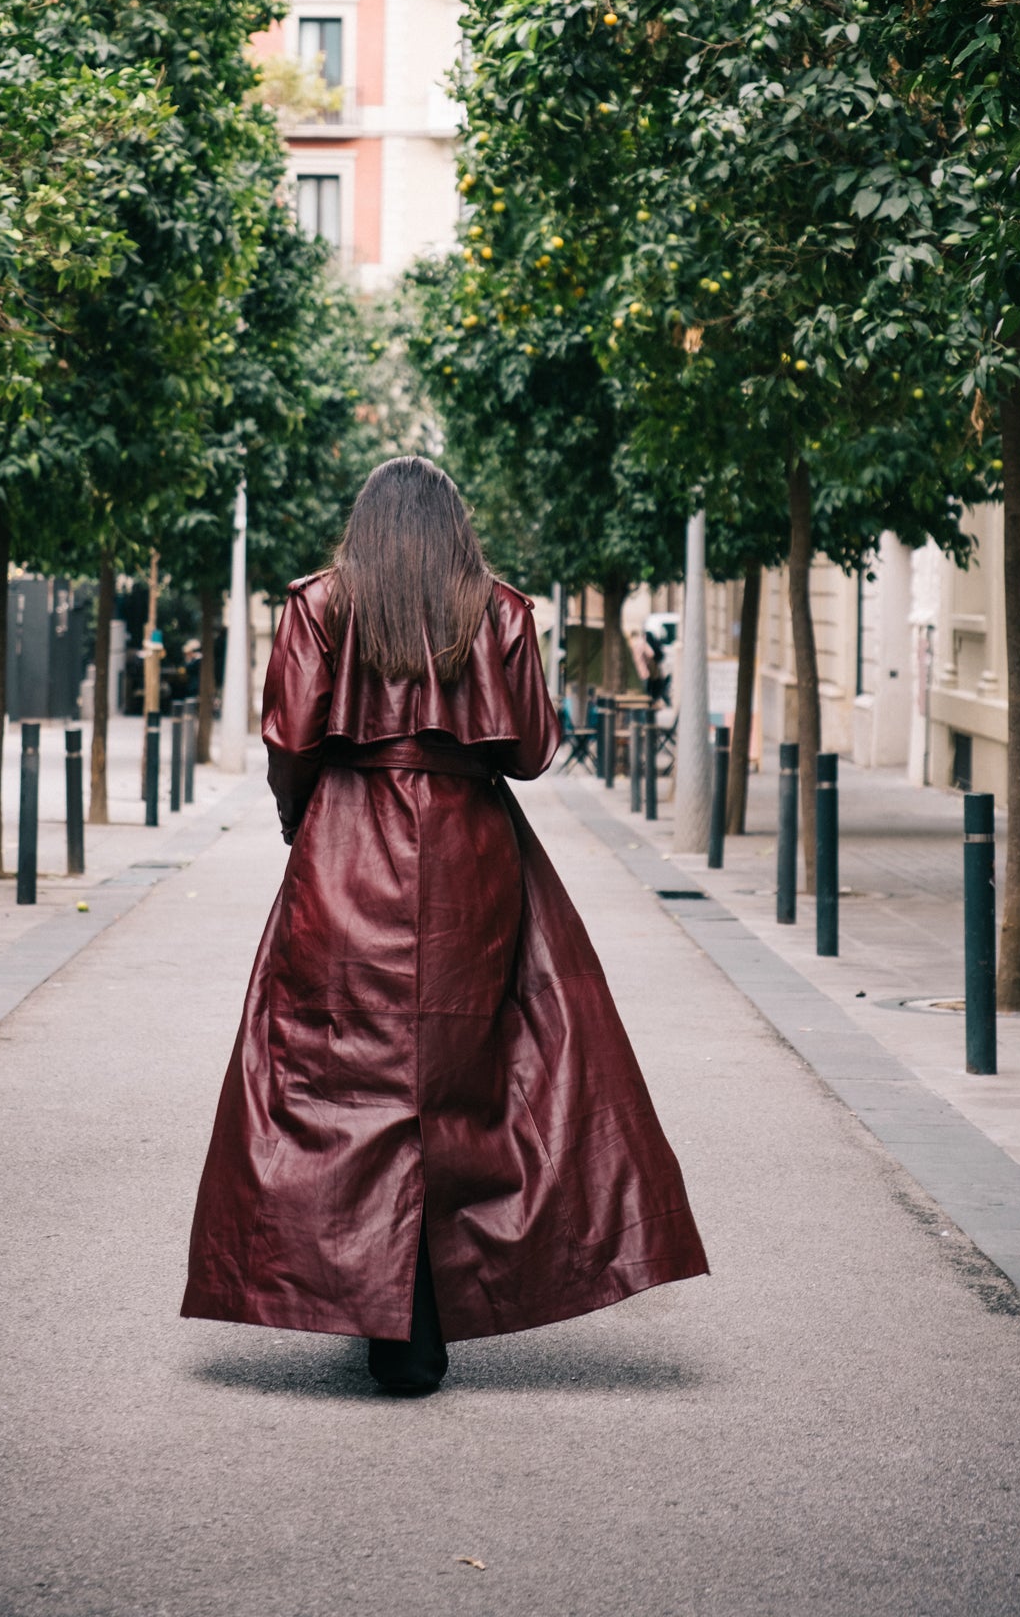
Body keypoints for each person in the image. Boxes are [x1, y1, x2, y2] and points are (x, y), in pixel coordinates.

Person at [182, 457, 707, 1394]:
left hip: (346, 845)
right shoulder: (497, 611)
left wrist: (301, 829)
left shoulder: (318, 605)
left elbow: (289, 742)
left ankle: (378, 1306)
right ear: (454, 528)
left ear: (366, 526)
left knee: (339, 1077)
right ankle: (418, 1314)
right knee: (473, 1078)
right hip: (472, 855)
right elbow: (535, 751)